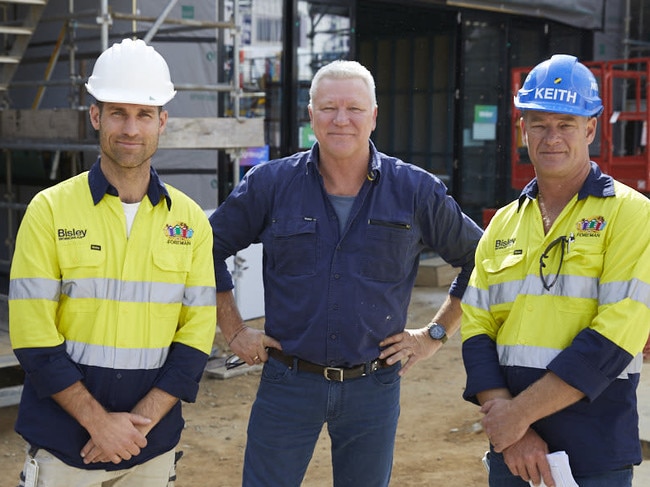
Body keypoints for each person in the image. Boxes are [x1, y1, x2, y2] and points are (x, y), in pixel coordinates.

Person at [209, 59, 483, 486]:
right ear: (311, 115)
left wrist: (435, 333)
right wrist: (234, 328)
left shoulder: (414, 190)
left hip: (372, 388)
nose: (341, 120)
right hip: (288, 383)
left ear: (373, 116)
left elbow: (482, 259)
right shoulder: (270, 185)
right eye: (328, 108)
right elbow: (206, 246)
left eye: (354, 109)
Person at [8, 38, 216, 487]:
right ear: (95, 116)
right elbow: (32, 335)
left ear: (162, 121)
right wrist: (100, 424)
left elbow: (197, 336)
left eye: (144, 114)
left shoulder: (191, 221)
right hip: (66, 446)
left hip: (147, 446)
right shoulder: (49, 210)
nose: (131, 128)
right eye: (118, 112)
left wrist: (135, 423)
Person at [461, 54, 650, 487]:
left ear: (590, 128)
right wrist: (514, 432)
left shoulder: (631, 214)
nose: (552, 137)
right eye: (539, 123)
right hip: (512, 452)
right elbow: (475, 327)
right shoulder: (503, 223)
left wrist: (518, 415)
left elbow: (619, 332)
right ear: (522, 129)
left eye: (566, 124)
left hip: (593, 448)